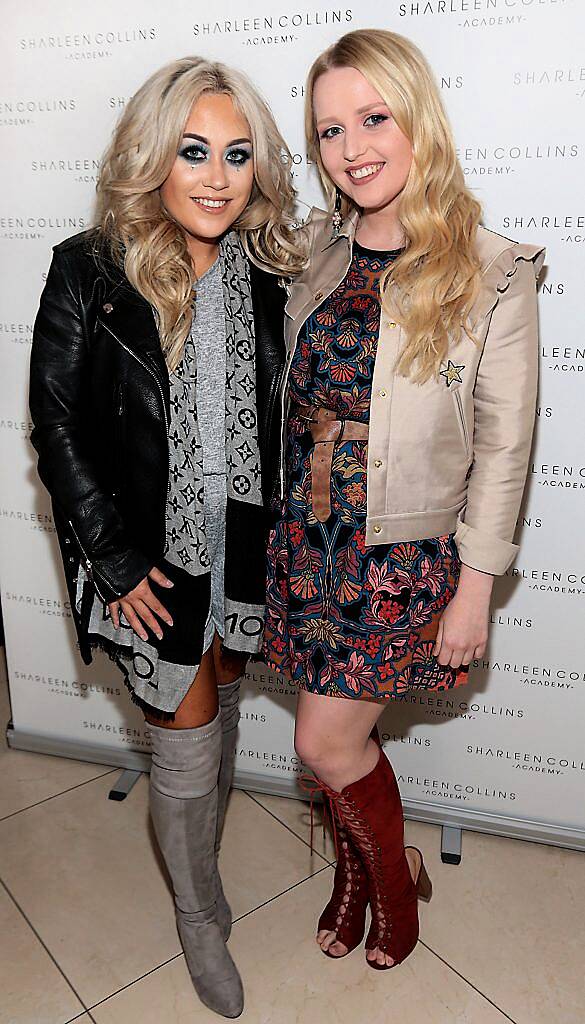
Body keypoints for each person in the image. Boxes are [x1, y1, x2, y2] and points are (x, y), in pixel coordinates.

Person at [30, 57, 304, 1019]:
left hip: (244, 540)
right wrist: (110, 558)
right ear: (154, 155)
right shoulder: (90, 266)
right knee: (183, 740)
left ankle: (203, 864)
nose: (217, 177)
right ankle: (197, 914)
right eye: (194, 152)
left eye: (237, 155)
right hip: (147, 548)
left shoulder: (271, 267)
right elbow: (55, 422)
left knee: (223, 699)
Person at [264, 28, 544, 971]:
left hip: (399, 558)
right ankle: (355, 877)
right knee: (334, 745)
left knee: (323, 741)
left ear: (417, 116)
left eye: (373, 118)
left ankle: (395, 887)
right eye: (330, 130)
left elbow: (506, 447)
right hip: (308, 544)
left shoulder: (492, 270)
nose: (352, 148)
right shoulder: (313, 251)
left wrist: (476, 590)